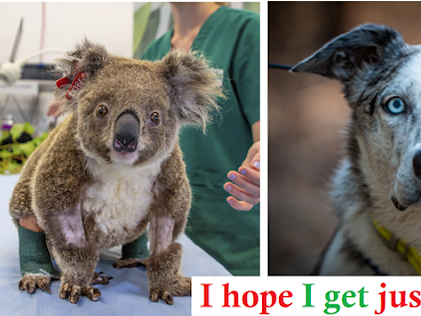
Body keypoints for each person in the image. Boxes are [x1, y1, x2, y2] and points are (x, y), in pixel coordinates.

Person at [17, 2, 260, 278]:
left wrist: (264, 158)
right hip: (144, 217)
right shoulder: (154, 49)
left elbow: (267, 129)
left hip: (236, 237)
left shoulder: (249, 32)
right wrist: (80, 100)